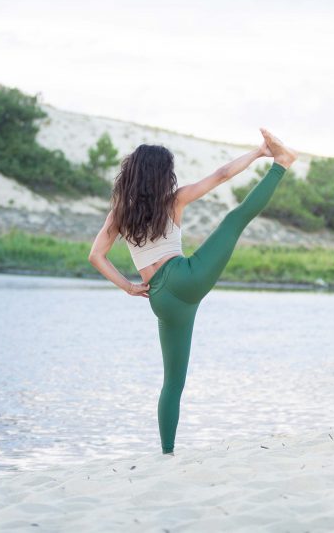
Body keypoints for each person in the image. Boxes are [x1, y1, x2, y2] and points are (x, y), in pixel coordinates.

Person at [88, 128, 298, 455]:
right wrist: (259, 153)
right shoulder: (174, 201)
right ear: (162, 176)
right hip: (185, 278)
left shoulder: (120, 214)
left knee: (172, 382)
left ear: (131, 174)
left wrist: (129, 287)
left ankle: (167, 454)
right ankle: (281, 164)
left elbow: (95, 255)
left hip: (159, 299)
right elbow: (222, 174)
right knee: (234, 220)